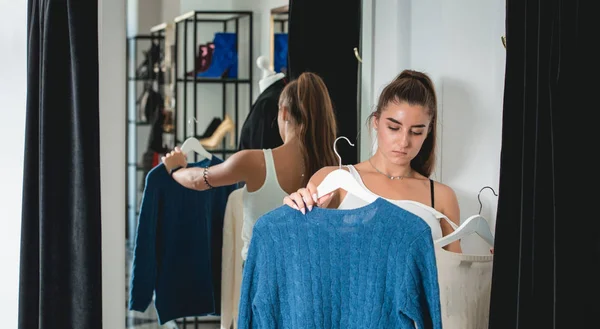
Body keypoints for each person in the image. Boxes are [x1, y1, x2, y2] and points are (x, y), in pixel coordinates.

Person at [161, 71, 339, 259]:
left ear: (284, 112)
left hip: (262, 272)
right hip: (307, 275)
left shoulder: (255, 162)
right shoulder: (333, 169)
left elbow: (198, 179)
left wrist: (175, 168)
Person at [283, 69, 463, 253]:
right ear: (376, 121)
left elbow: (457, 277)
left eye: (416, 132)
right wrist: (293, 216)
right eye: (394, 127)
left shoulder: (441, 197)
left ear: (428, 131)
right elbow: (301, 252)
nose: (404, 142)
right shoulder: (334, 179)